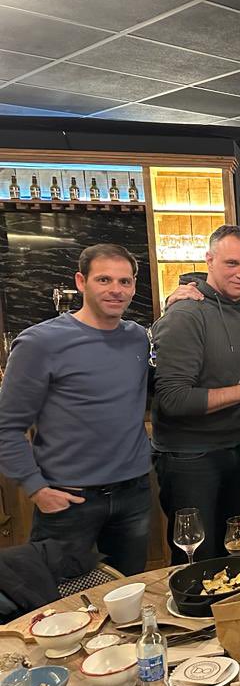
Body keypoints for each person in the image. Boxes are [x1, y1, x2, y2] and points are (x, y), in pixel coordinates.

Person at [0, 244, 152, 575]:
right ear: (81, 282)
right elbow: (7, 426)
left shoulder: (138, 338)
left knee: (129, 594)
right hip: (68, 500)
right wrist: (36, 488)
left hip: (133, 494)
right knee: (59, 606)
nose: (116, 290)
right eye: (104, 279)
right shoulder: (40, 343)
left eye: (125, 282)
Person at [151, 225, 240, 563]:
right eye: (231, 264)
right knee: (195, 556)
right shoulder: (185, 313)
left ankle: (232, 617)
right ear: (208, 260)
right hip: (189, 457)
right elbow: (172, 399)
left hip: (236, 447)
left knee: (235, 553)